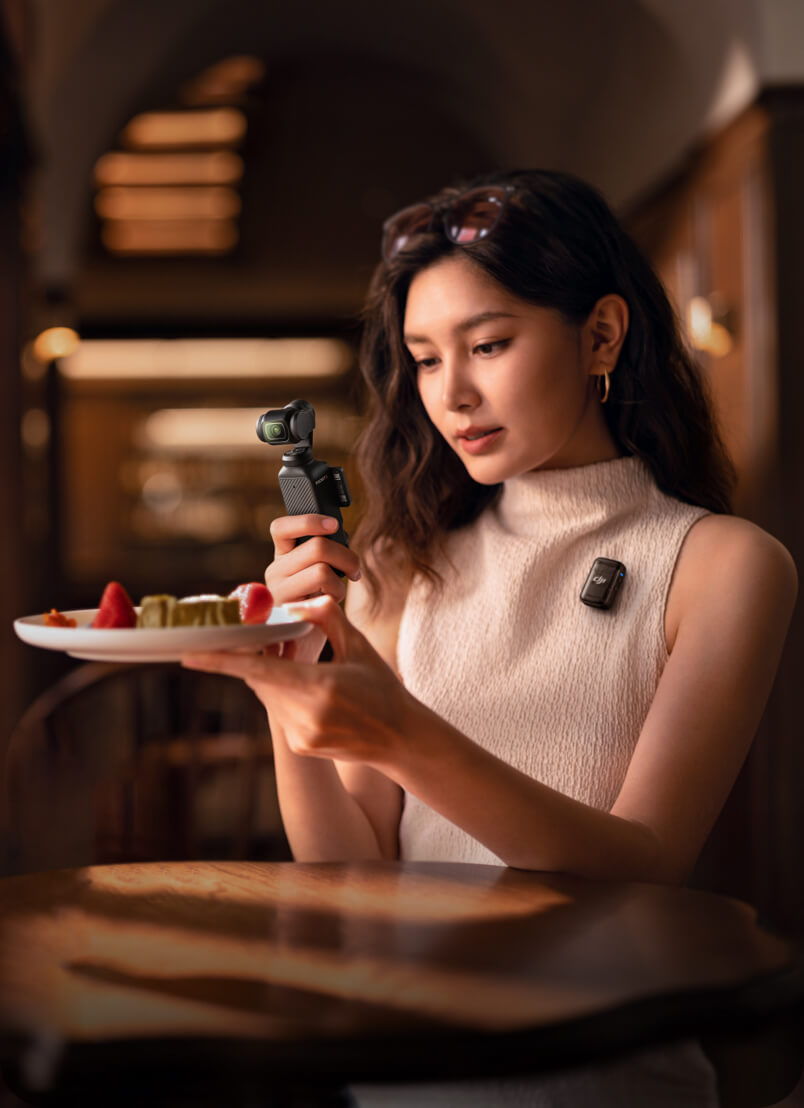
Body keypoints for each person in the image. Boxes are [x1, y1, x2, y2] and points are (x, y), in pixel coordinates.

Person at [183, 169, 798, 1105]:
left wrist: (399, 731)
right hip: (404, 1067)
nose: (453, 394)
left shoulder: (723, 566)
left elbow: (642, 866)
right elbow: (348, 876)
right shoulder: (399, 563)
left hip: (607, 1074)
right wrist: (286, 688)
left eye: (490, 344)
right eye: (425, 359)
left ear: (601, 334)